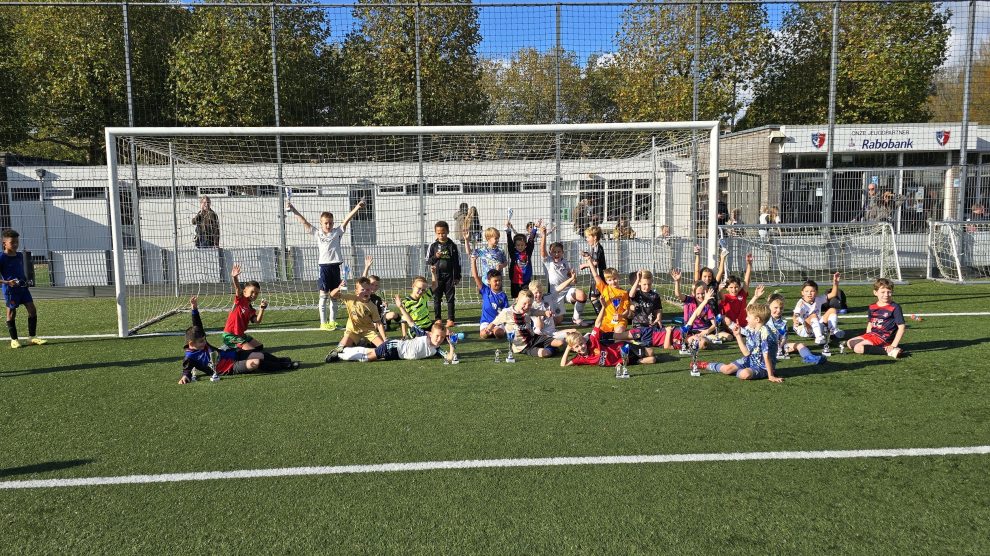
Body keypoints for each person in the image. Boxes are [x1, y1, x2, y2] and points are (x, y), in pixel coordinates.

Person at [180, 296, 297, 384]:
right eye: (201, 341)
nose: (204, 342)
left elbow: (197, 325)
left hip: (232, 354)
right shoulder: (189, 357)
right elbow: (186, 370)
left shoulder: (200, 340)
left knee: (259, 354)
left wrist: (194, 309)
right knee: (255, 363)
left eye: (204, 340)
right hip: (229, 368)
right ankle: (284, 366)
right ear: (191, 343)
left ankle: (281, 361)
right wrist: (185, 377)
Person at [287, 198, 364, 331]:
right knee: (323, 296)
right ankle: (323, 323)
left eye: (330, 223)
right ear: (321, 223)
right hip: (324, 268)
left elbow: (347, 219)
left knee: (335, 296)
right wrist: (293, 209)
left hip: (335, 268)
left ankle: (332, 321)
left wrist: (357, 207)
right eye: (326, 223)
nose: (328, 225)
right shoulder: (317, 233)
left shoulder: (337, 232)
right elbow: (304, 221)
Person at [699, 303, 783, 383]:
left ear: (757, 320)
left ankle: (754, 372)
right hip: (751, 359)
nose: (746, 319)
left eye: (748, 317)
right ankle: (702, 364)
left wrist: (771, 375)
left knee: (745, 374)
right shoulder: (752, 330)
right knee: (727, 369)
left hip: (763, 367)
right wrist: (738, 335)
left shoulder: (765, 333)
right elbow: (746, 354)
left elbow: (766, 356)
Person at [560, 306, 657, 367]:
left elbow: (597, 324)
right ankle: (637, 360)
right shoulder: (580, 358)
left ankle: (635, 344)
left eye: (581, 344)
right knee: (652, 360)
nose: (581, 347)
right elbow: (563, 364)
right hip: (622, 361)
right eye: (577, 347)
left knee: (651, 352)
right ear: (573, 349)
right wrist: (568, 349)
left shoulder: (593, 341)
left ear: (584, 341)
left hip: (623, 348)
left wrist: (603, 307)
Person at [327, 320, 456, 364]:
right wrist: (401, 307)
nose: (439, 339)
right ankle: (340, 355)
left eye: (442, 337)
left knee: (369, 352)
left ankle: (345, 350)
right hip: (394, 346)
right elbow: (411, 323)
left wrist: (451, 345)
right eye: (437, 336)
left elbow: (449, 358)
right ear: (431, 334)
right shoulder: (424, 336)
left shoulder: (436, 350)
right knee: (367, 358)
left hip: (397, 355)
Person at [324, 276, 387, 362]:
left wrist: (385, 339)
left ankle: (364, 344)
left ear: (370, 291)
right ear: (356, 291)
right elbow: (332, 295)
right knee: (341, 348)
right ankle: (340, 352)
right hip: (352, 331)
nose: (365, 292)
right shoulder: (350, 298)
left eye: (368, 290)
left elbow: (379, 323)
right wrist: (339, 288)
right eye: (362, 290)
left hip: (368, 331)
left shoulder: (372, 306)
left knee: (384, 349)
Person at [0, 229, 45, 348]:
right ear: (4, 243)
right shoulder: (1, 257)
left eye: (17, 242)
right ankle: (14, 340)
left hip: (23, 289)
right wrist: (7, 282)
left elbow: (19, 271)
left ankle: (32, 337)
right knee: (11, 313)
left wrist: (26, 280)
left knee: (32, 310)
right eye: (12, 242)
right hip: (10, 290)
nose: (15, 244)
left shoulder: (19, 255)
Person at [491, 289, 565, 357]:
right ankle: (553, 349)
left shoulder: (528, 311)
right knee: (545, 353)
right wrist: (488, 329)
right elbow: (494, 322)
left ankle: (554, 347)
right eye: (524, 303)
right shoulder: (506, 312)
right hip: (522, 347)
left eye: (529, 305)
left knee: (560, 342)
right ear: (517, 300)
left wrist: (545, 313)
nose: (526, 307)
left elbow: (535, 311)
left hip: (534, 338)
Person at [539, 223, 588, 327]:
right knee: (557, 321)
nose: (556, 254)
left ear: (562, 252)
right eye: (554, 252)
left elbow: (572, 279)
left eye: (559, 252)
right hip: (555, 294)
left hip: (567, 291)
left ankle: (576, 318)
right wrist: (543, 236)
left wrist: (573, 278)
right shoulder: (548, 261)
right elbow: (542, 251)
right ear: (550, 253)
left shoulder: (565, 262)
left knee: (581, 295)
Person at [760, 290, 826, 365]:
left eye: (781, 308)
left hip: (778, 346)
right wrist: (756, 297)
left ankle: (809, 357)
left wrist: (779, 347)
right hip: (763, 346)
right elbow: (751, 311)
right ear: (769, 306)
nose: (778, 310)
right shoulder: (764, 317)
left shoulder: (783, 322)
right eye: (776, 308)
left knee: (800, 345)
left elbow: (783, 337)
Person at [845, 278, 906, 358]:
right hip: (873, 335)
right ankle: (877, 347)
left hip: (884, 338)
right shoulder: (872, 307)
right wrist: (867, 336)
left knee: (858, 348)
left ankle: (890, 351)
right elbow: (870, 323)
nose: (886, 295)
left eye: (889, 292)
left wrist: (893, 345)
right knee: (850, 343)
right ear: (875, 292)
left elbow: (901, 327)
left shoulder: (895, 307)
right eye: (883, 292)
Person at [221, 263, 267, 352]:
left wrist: (262, 309)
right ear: (245, 291)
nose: (254, 295)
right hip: (230, 335)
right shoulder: (240, 300)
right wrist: (235, 277)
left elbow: (257, 321)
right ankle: (224, 349)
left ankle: (237, 347)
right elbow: (237, 289)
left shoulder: (251, 309)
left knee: (259, 347)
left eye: (256, 293)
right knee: (250, 352)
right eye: (252, 292)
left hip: (241, 335)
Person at [583, 256, 630, 336]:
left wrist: (621, 315)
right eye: (610, 280)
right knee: (597, 333)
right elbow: (596, 275)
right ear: (606, 281)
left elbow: (627, 311)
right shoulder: (604, 289)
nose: (613, 282)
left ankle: (624, 338)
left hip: (620, 320)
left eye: (614, 279)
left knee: (619, 330)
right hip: (607, 321)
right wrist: (589, 261)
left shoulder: (624, 293)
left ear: (618, 277)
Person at [793, 273, 844, 345]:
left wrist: (835, 283)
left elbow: (833, 294)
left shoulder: (818, 299)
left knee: (832, 310)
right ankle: (819, 338)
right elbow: (795, 314)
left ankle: (832, 332)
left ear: (816, 292)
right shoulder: (800, 303)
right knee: (813, 315)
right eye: (806, 291)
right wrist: (795, 320)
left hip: (816, 326)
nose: (809, 293)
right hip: (804, 329)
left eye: (812, 291)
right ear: (802, 293)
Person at [427, 220, 461, 327]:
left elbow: (457, 262)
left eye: (443, 233)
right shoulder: (433, 246)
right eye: (439, 233)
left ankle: (451, 319)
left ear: (448, 232)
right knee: (437, 298)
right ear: (435, 233)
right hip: (437, 277)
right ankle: (438, 318)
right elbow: (428, 261)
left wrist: (457, 276)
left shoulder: (453, 246)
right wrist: (436, 257)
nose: (441, 235)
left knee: (450, 298)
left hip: (450, 276)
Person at [470, 252, 509, 340]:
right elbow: (475, 276)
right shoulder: (485, 290)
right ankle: (490, 332)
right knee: (483, 335)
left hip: (497, 322)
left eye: (499, 280)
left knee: (499, 334)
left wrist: (496, 325)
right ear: (488, 281)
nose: (498, 282)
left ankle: (494, 331)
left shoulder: (503, 296)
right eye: (495, 281)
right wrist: (473, 261)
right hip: (486, 322)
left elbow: (505, 312)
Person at [362, 255, 401, 331]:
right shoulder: (364, 294)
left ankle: (403, 324)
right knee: (374, 326)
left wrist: (384, 305)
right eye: (372, 284)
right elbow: (363, 280)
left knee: (393, 314)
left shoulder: (377, 298)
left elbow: (381, 311)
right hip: (369, 320)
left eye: (376, 285)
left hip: (380, 318)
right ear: (367, 284)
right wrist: (367, 267)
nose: (374, 287)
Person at [396, 273, 436, 338]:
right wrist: (404, 335)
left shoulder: (424, 296)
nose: (421, 291)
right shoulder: (406, 303)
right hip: (416, 329)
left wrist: (433, 273)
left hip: (428, 325)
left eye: (423, 290)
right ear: (413, 286)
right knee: (428, 337)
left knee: (443, 331)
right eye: (419, 288)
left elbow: (435, 285)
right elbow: (403, 320)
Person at [719, 253, 753, 330]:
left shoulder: (742, 294)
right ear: (727, 288)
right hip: (732, 327)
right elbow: (721, 295)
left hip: (744, 326)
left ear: (739, 287)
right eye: (731, 287)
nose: (734, 290)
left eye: (736, 287)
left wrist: (749, 264)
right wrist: (720, 290)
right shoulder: (726, 297)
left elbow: (746, 281)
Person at [505, 217, 537, 298]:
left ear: (525, 245)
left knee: (526, 298)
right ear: (515, 246)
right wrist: (508, 231)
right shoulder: (513, 253)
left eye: (522, 245)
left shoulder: (528, 252)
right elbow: (510, 243)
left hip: (526, 281)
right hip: (515, 281)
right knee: (516, 298)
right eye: (518, 245)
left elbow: (531, 240)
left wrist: (535, 228)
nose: (520, 247)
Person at [581, 225, 607, 317]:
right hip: (595, 276)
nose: (587, 239)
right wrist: (587, 255)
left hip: (598, 277)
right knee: (597, 297)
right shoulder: (594, 247)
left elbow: (595, 263)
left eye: (588, 237)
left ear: (595, 237)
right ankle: (603, 316)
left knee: (594, 297)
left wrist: (584, 265)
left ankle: (602, 317)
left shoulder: (597, 248)